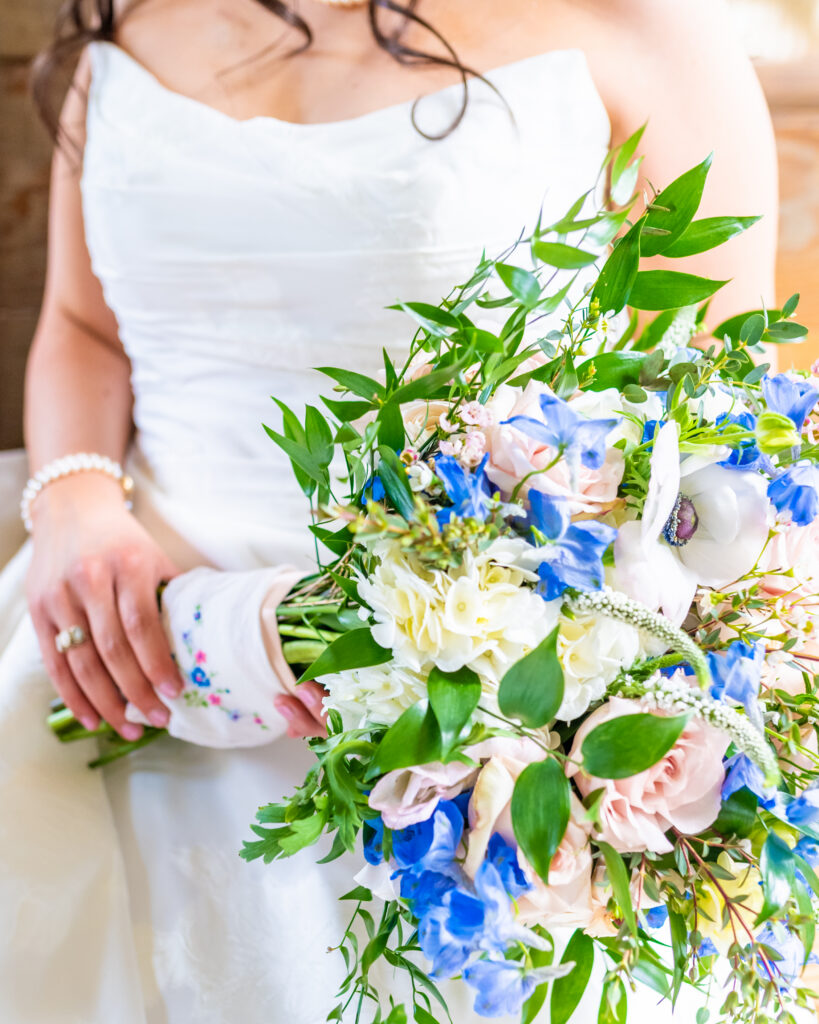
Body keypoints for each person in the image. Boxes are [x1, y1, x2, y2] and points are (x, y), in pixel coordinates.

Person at [0, 1, 778, 1021]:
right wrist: (73, 500)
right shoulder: (125, 17)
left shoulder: (640, 26)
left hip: (471, 713)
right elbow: (81, 325)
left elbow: (714, 440)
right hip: (122, 639)